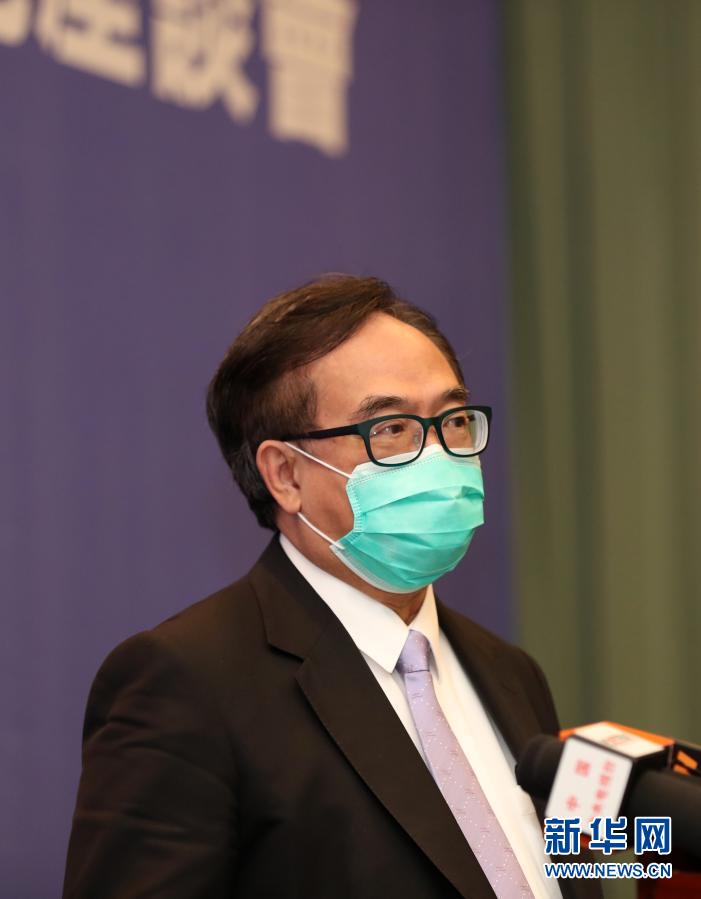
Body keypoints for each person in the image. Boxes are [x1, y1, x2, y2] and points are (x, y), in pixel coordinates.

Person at [62, 275, 600, 898]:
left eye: (453, 419)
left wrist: (658, 849)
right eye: (391, 429)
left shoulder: (510, 673)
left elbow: (574, 871)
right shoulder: (188, 685)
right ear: (286, 475)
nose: (440, 455)